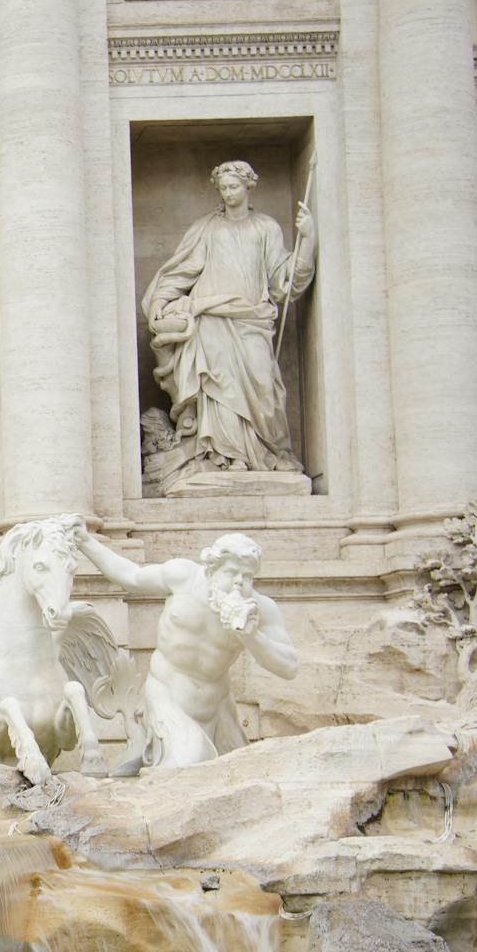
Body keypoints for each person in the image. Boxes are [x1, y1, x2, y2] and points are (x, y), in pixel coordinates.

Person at [141, 160, 314, 478]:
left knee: (264, 386)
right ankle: (221, 455)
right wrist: (160, 302)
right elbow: (180, 271)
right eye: (223, 188)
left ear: (249, 186)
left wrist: (308, 242)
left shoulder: (266, 228)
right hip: (211, 320)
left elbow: (284, 281)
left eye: (234, 187)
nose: (228, 193)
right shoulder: (207, 228)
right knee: (217, 389)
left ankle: (269, 452)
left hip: (252, 319)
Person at [75, 526, 297, 771]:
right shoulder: (183, 577)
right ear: (212, 569)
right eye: (232, 572)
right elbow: (130, 575)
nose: (239, 582)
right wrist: (85, 541)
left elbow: (289, 667)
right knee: (188, 765)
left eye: (247, 576)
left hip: (218, 708)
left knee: (238, 773)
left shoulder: (260, 609)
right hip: (168, 697)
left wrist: (252, 636)